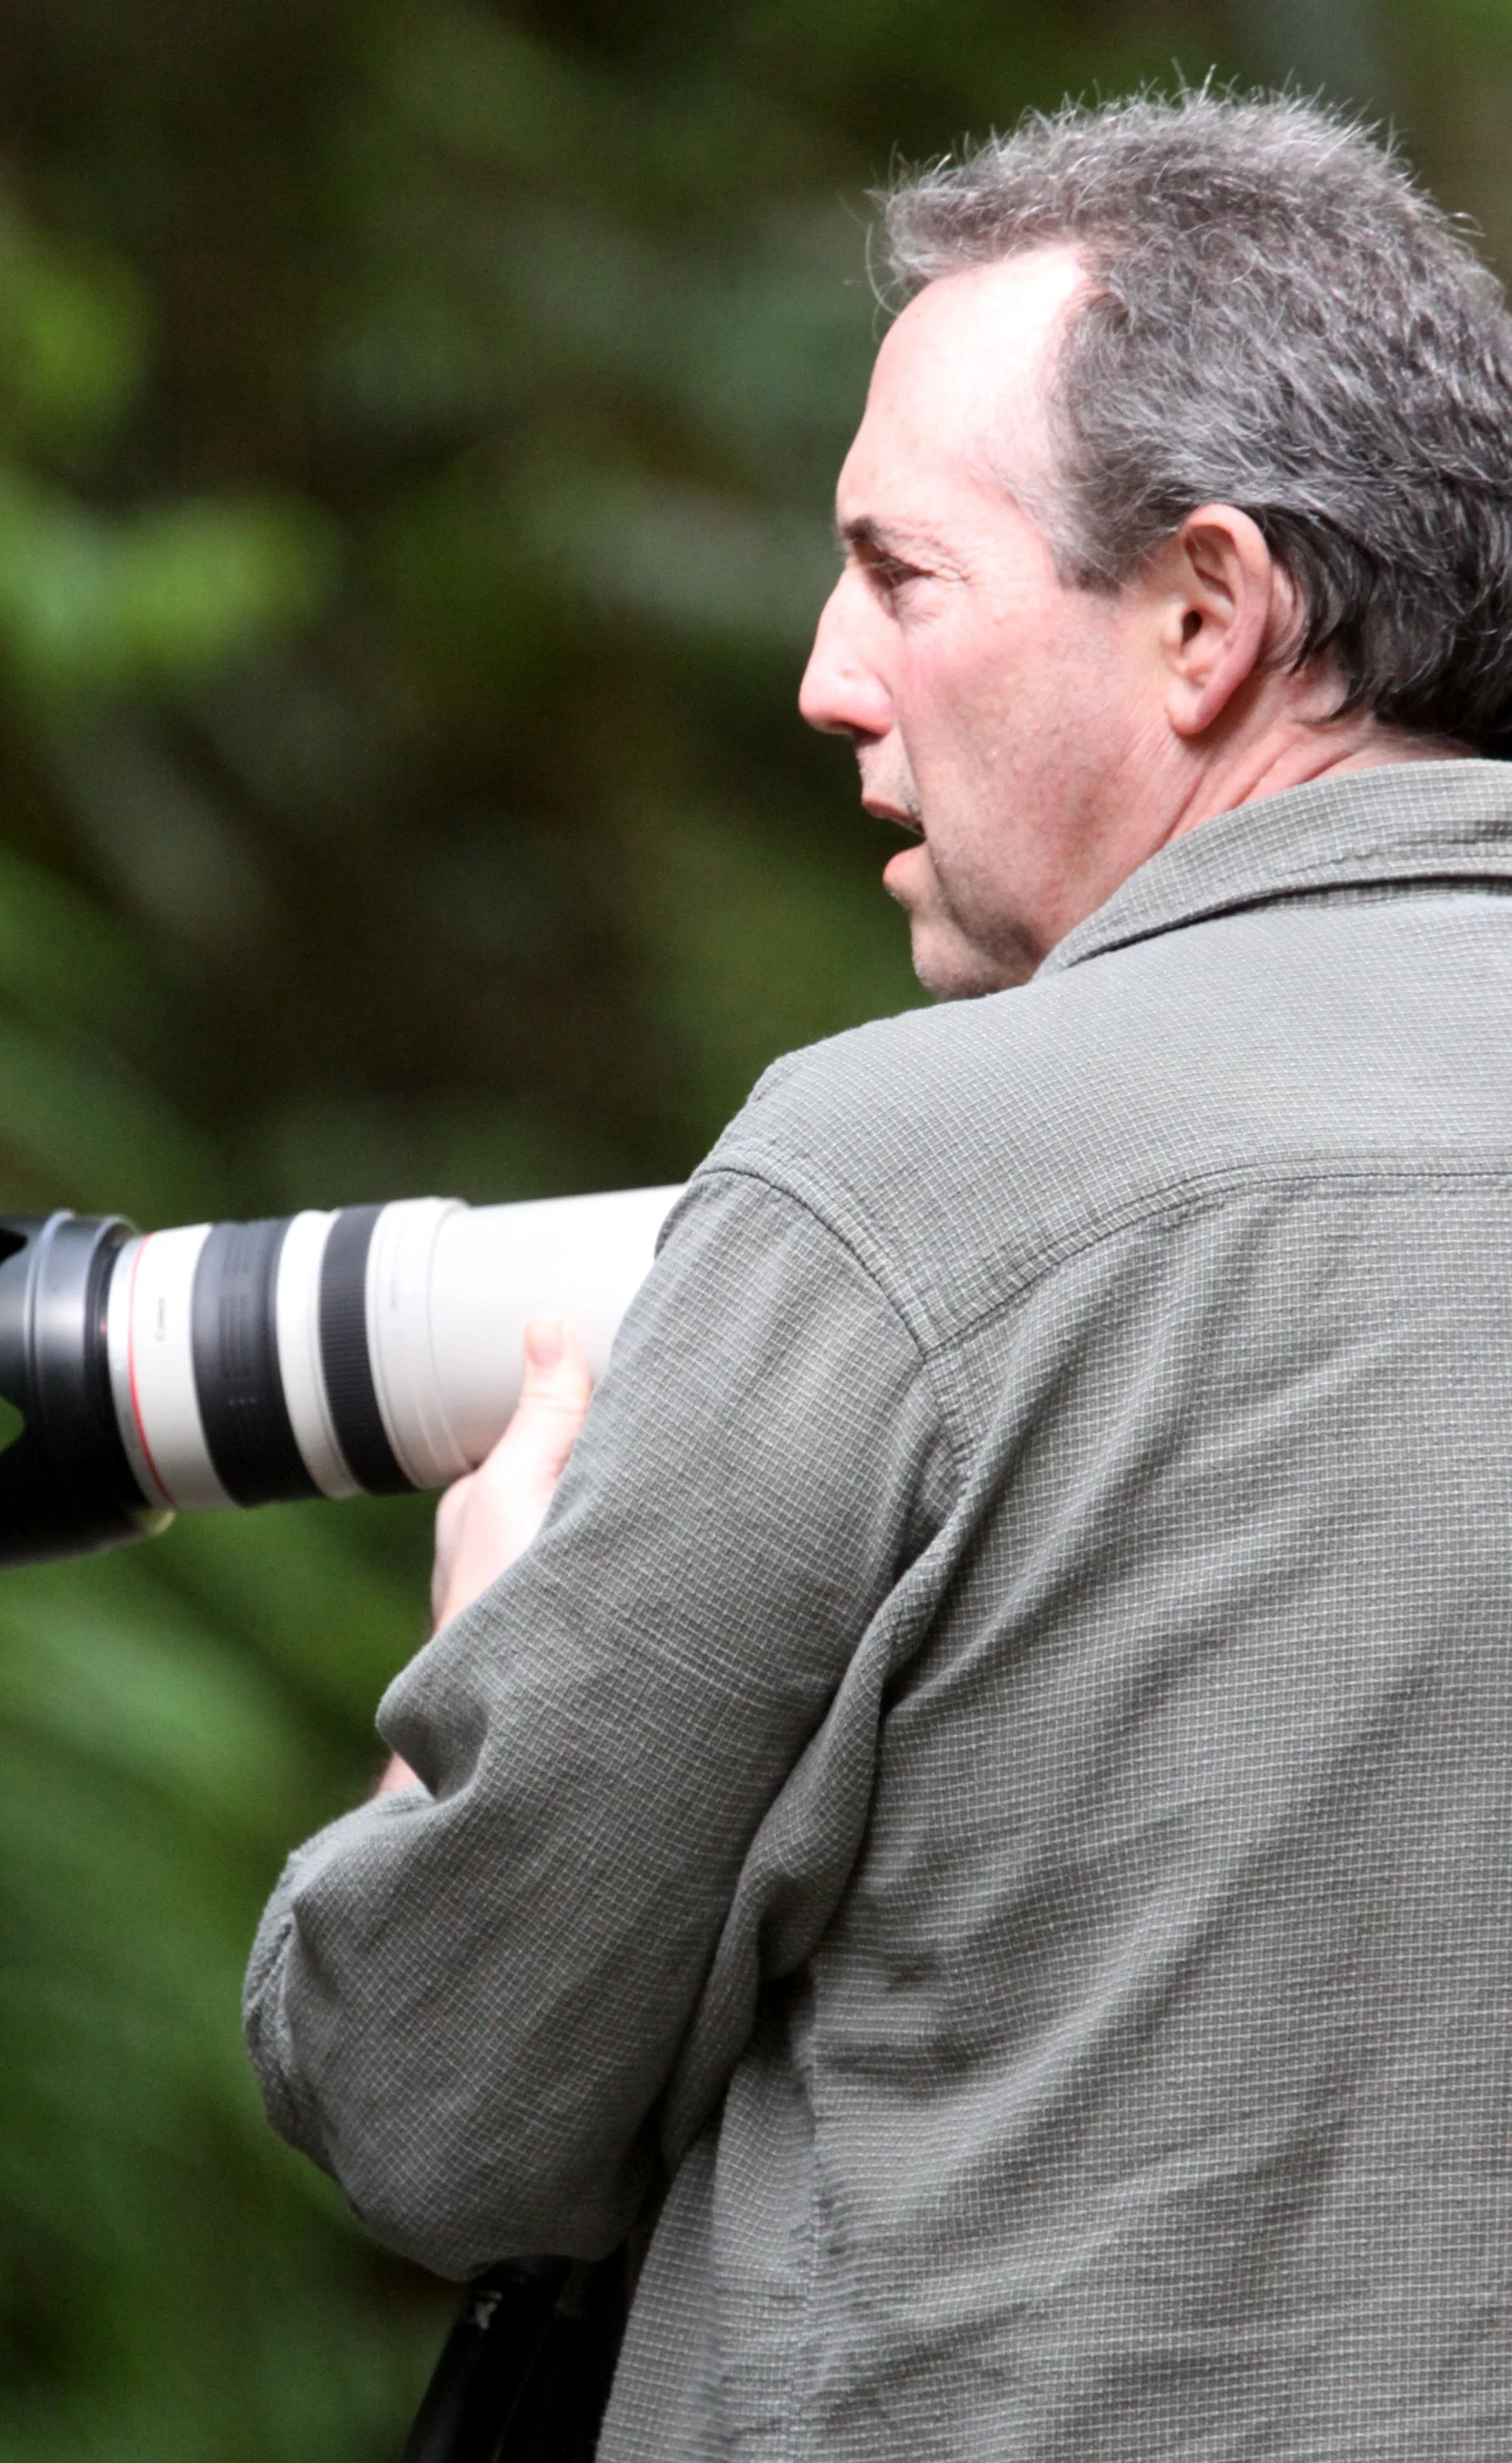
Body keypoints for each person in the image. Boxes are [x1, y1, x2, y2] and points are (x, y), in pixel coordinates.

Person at [245, 90, 1512, 2456]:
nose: (831, 675)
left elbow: (432, 2099)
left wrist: (490, 1640)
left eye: (901, 575)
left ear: (1209, 618)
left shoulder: (903, 1176)